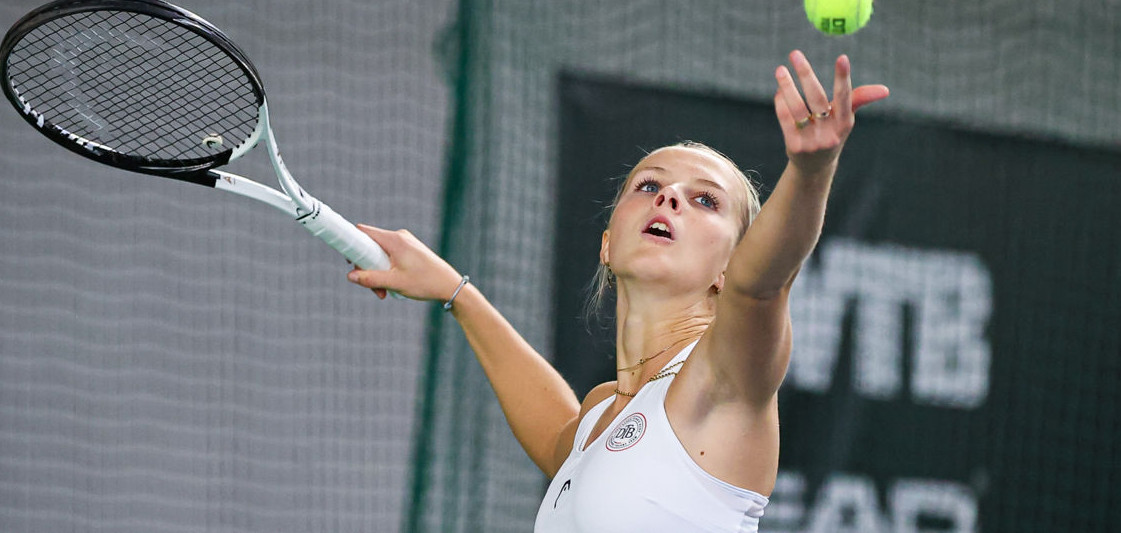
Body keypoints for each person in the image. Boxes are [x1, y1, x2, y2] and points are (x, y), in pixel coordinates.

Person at [346, 51, 889, 532]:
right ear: (607, 244)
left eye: (705, 201)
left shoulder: (723, 375)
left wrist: (812, 170)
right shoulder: (602, 412)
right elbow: (563, 437)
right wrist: (457, 293)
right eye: (649, 186)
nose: (670, 196)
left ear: (730, 264)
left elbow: (760, 286)